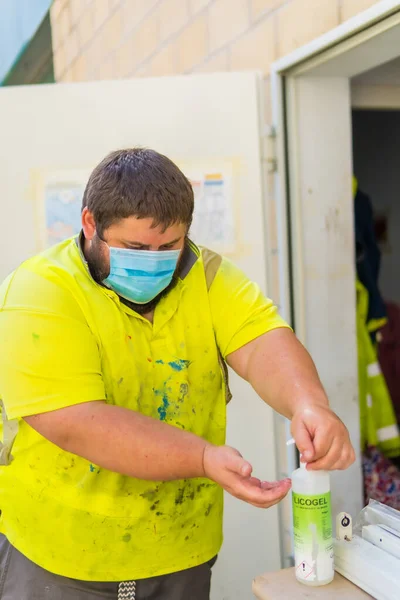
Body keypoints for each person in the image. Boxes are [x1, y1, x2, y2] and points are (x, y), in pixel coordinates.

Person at [0, 148, 355, 600]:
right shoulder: (39, 292)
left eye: (169, 246)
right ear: (90, 223)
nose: (154, 260)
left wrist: (310, 405)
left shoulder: (204, 276)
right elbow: (76, 423)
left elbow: (264, 340)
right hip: (63, 559)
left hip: (181, 549)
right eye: (135, 247)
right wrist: (204, 458)